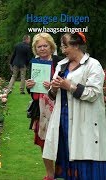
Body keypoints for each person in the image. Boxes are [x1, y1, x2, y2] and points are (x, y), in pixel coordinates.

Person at [43, 32, 106, 179]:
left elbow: (93, 93)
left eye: (65, 46)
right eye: (62, 46)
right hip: (63, 120)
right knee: (67, 154)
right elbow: (52, 95)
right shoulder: (61, 65)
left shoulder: (93, 65)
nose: (63, 50)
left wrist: (69, 85)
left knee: (84, 153)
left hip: (85, 119)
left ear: (76, 45)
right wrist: (54, 88)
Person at [25, 33, 61, 180]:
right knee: (43, 142)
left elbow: (64, 82)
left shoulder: (59, 62)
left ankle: (62, 171)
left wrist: (53, 85)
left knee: (60, 141)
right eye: (39, 46)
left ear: (51, 47)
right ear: (35, 48)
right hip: (40, 108)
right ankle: (50, 174)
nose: (42, 48)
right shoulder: (34, 63)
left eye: (45, 45)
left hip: (57, 106)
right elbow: (32, 88)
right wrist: (29, 86)